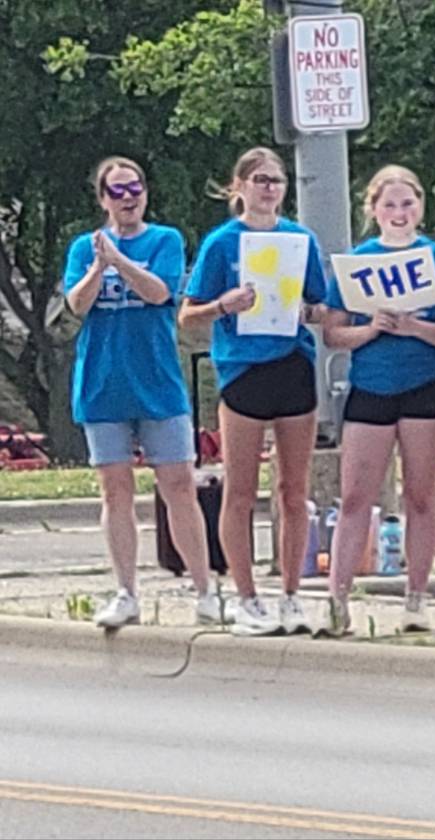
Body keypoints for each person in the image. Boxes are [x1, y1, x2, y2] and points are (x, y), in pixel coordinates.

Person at [64, 156, 219, 629]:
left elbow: (159, 293)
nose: (128, 198)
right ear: (103, 199)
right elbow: (75, 305)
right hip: (102, 382)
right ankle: (126, 591)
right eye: (117, 191)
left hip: (157, 381)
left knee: (178, 486)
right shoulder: (83, 248)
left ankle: (204, 589)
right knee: (115, 491)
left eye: (135, 189)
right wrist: (98, 266)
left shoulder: (165, 240)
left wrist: (121, 261)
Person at [180, 147, 327, 637]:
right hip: (243, 368)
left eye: (277, 181)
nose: (269, 189)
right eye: (260, 180)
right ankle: (246, 596)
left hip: (293, 363)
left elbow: (319, 303)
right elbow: (189, 313)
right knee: (240, 489)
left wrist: (312, 313)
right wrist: (224, 304)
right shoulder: (223, 243)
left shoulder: (299, 239)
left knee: (293, 488)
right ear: (239, 186)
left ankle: (291, 593)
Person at [321, 165, 435, 636]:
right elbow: (334, 333)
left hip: (425, 383)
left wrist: (416, 327)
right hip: (371, 385)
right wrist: (372, 328)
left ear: (420, 206)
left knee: (421, 495)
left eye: (407, 204)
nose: (399, 213)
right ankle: (337, 600)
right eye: (390, 205)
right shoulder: (357, 262)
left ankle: (416, 597)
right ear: (374, 210)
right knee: (357, 495)